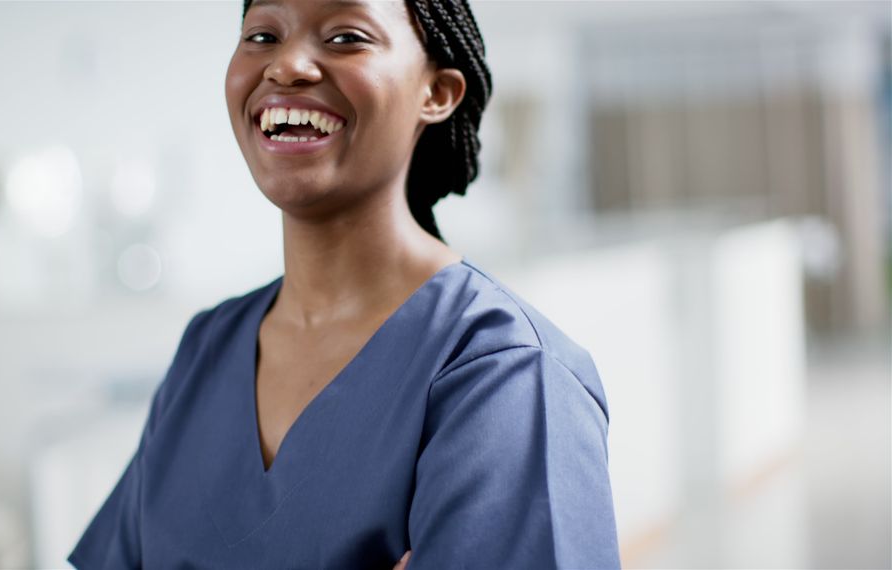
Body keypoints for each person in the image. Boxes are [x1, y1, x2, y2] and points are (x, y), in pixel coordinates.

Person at [68, 0, 620, 568]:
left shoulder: (507, 371)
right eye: (261, 35)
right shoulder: (209, 347)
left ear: (437, 93)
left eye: (345, 37)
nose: (287, 66)